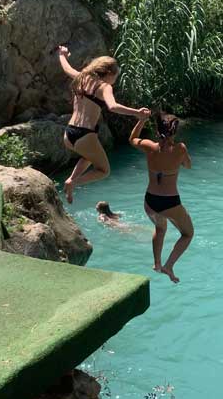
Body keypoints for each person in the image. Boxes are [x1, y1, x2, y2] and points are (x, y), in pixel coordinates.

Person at [57, 46, 150, 203]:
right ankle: (73, 183)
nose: (115, 80)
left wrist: (61, 54)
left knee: (88, 156)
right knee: (104, 170)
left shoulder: (81, 78)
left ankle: (72, 179)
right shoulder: (105, 87)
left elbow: (67, 68)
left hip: (69, 133)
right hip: (85, 135)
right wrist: (137, 113)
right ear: (108, 73)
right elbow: (112, 107)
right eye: (115, 76)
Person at [130, 112, 193, 283]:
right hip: (170, 202)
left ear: (157, 131)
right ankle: (169, 265)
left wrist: (141, 120)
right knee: (188, 234)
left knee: (160, 228)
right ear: (174, 132)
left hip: (150, 201)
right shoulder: (180, 148)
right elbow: (188, 165)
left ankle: (157, 263)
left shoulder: (149, 146)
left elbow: (133, 138)